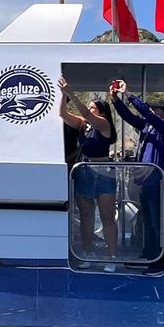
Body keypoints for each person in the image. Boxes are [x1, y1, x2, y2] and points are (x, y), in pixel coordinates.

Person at [111, 80, 164, 261]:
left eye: (155, 109)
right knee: (147, 219)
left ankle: (158, 256)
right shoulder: (149, 126)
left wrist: (129, 94)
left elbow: (147, 114)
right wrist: (115, 100)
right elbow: (129, 117)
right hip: (145, 181)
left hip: (158, 181)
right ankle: (149, 253)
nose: (152, 111)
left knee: (156, 221)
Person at [59, 78, 118, 265]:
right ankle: (87, 253)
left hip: (104, 172)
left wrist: (71, 93)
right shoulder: (84, 124)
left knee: (107, 217)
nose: (89, 109)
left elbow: (85, 113)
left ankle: (112, 256)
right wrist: (63, 95)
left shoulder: (103, 125)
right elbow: (63, 114)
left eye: (93, 107)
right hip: (85, 171)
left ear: (101, 111)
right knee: (86, 216)